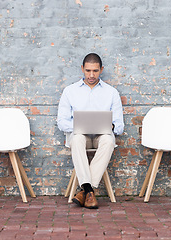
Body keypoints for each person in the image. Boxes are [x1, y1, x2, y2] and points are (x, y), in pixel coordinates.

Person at [57, 53, 124, 209]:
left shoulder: (111, 92)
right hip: (81, 135)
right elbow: (61, 122)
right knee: (77, 138)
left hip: (102, 135)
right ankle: (89, 190)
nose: (91, 75)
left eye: (95, 71)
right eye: (88, 71)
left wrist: (110, 126)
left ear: (101, 69)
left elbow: (120, 126)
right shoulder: (70, 91)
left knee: (108, 140)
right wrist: (79, 125)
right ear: (82, 69)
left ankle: (85, 191)